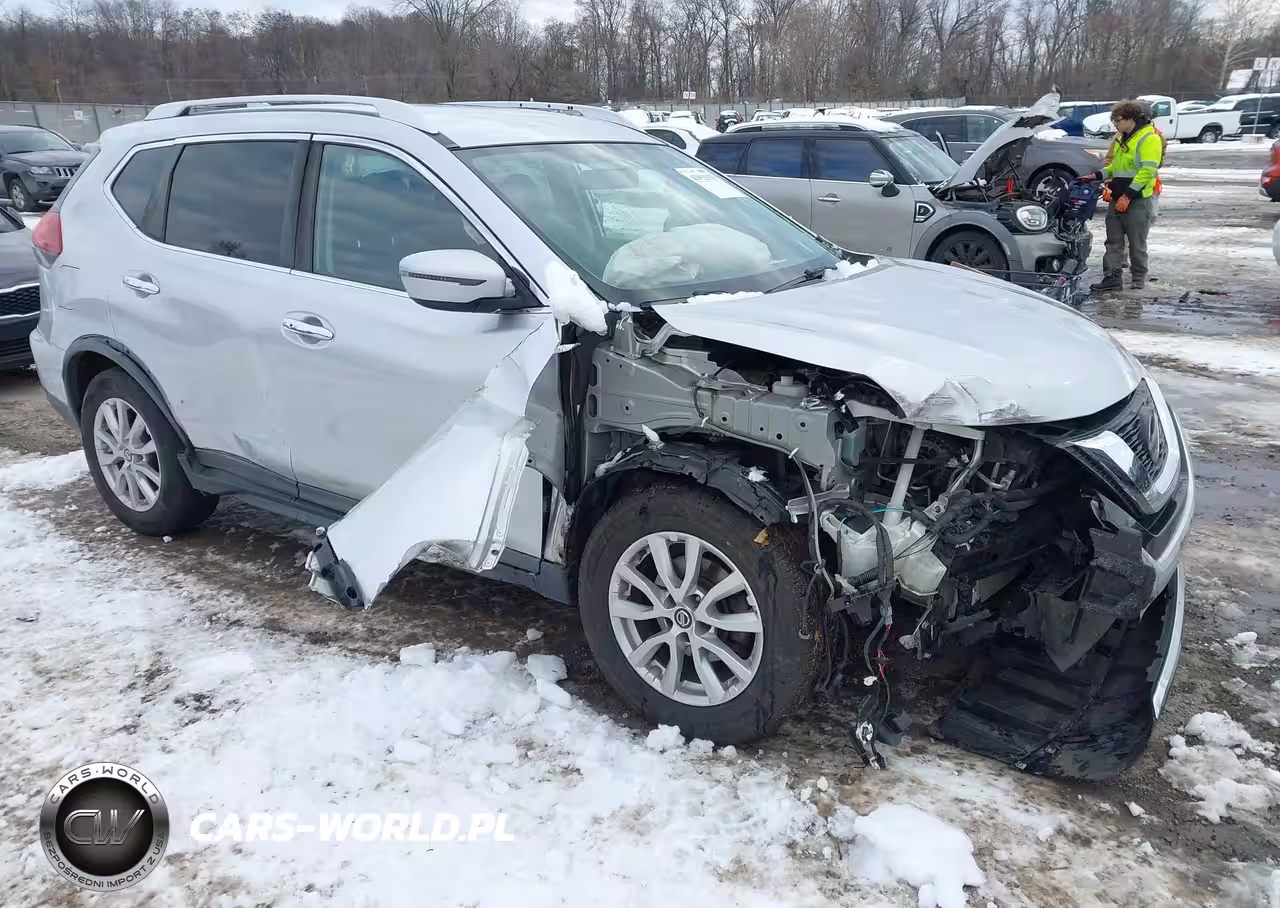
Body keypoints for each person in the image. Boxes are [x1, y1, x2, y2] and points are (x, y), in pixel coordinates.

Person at [1083, 100, 1164, 291]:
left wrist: (1128, 196)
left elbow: (1147, 171)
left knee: (1136, 242)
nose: (1115, 124)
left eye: (1117, 120)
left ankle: (1138, 278)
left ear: (1130, 119)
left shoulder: (1149, 139)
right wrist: (1096, 176)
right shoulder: (1122, 139)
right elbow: (1117, 168)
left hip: (1136, 201)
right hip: (1117, 198)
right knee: (1113, 242)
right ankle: (1112, 278)